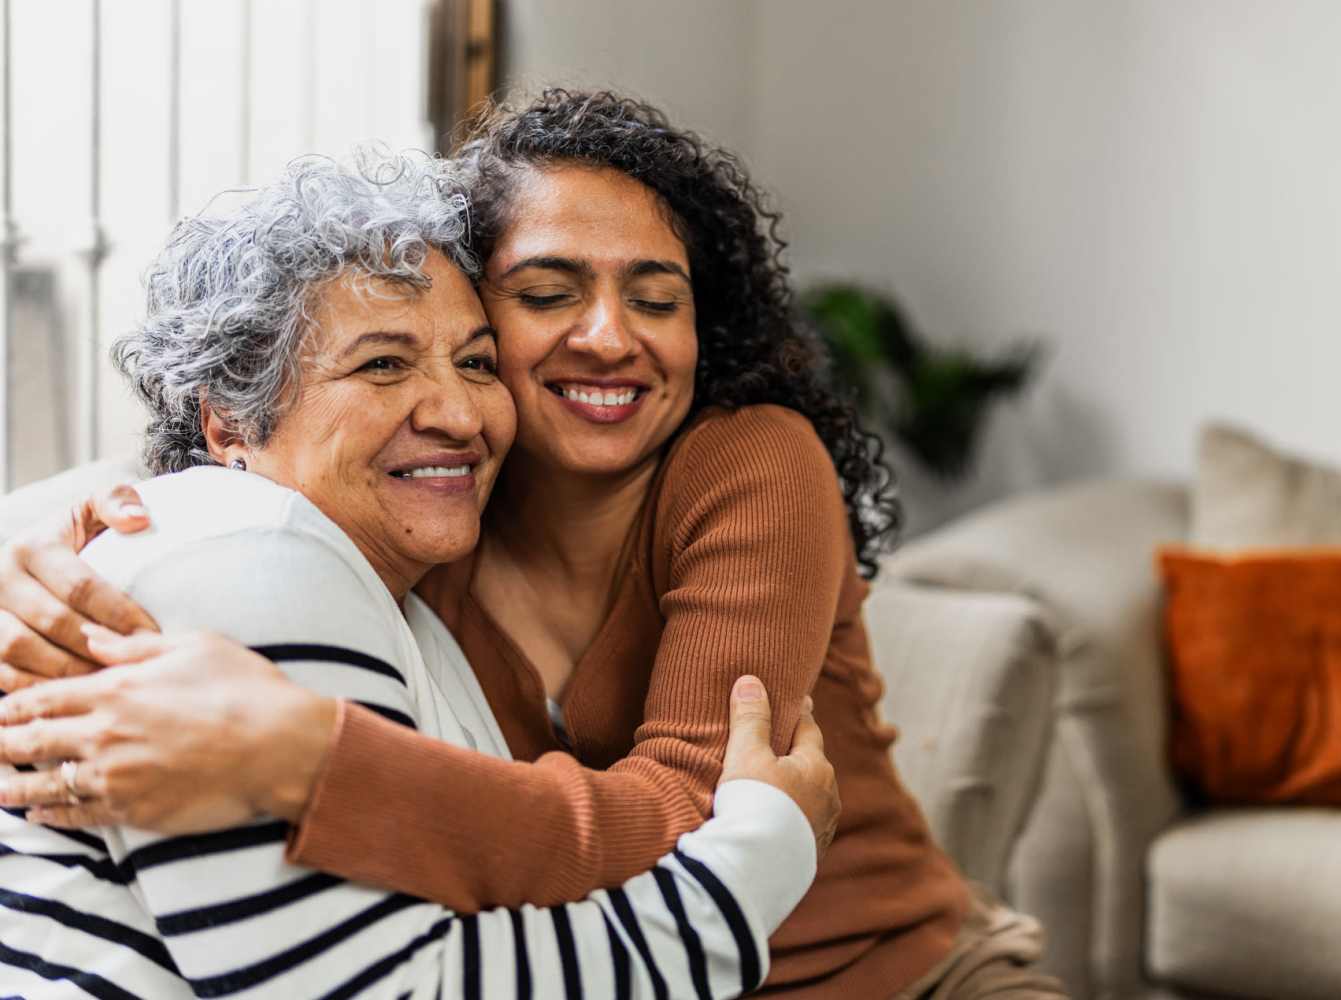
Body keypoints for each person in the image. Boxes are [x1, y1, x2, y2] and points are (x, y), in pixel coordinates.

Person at [0, 91, 1064, 998]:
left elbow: (701, 819)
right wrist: (45, 557)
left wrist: (304, 759)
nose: (610, 335)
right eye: (548, 294)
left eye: (658, 299)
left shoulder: (751, 462)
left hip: (895, 976)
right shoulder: (431, 519)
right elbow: (231, 473)